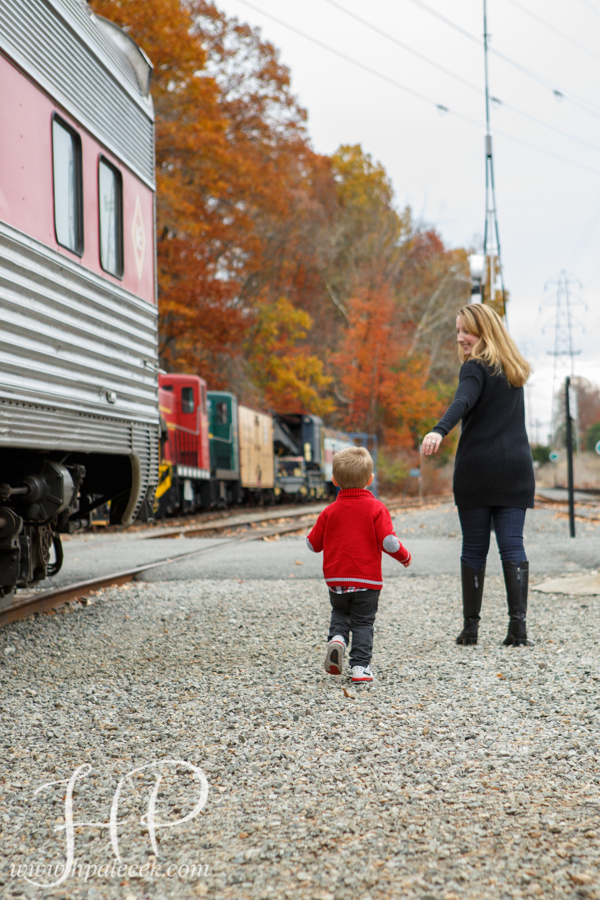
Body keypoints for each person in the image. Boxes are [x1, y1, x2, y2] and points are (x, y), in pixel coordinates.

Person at [421, 304, 535, 647]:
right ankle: (518, 629)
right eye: (457, 331)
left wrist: (439, 430)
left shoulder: (474, 367)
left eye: (465, 331)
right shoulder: (513, 369)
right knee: (512, 545)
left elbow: (463, 401)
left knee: (474, 548)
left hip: (477, 470)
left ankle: (471, 630)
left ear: (483, 330)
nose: (460, 338)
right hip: (516, 469)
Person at [306, 446, 412, 683]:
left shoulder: (329, 511)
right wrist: (405, 557)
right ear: (370, 480)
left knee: (340, 612)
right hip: (366, 580)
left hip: (336, 580)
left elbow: (313, 545)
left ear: (334, 480)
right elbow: (389, 541)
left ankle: (337, 639)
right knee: (363, 622)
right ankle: (360, 668)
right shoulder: (376, 508)